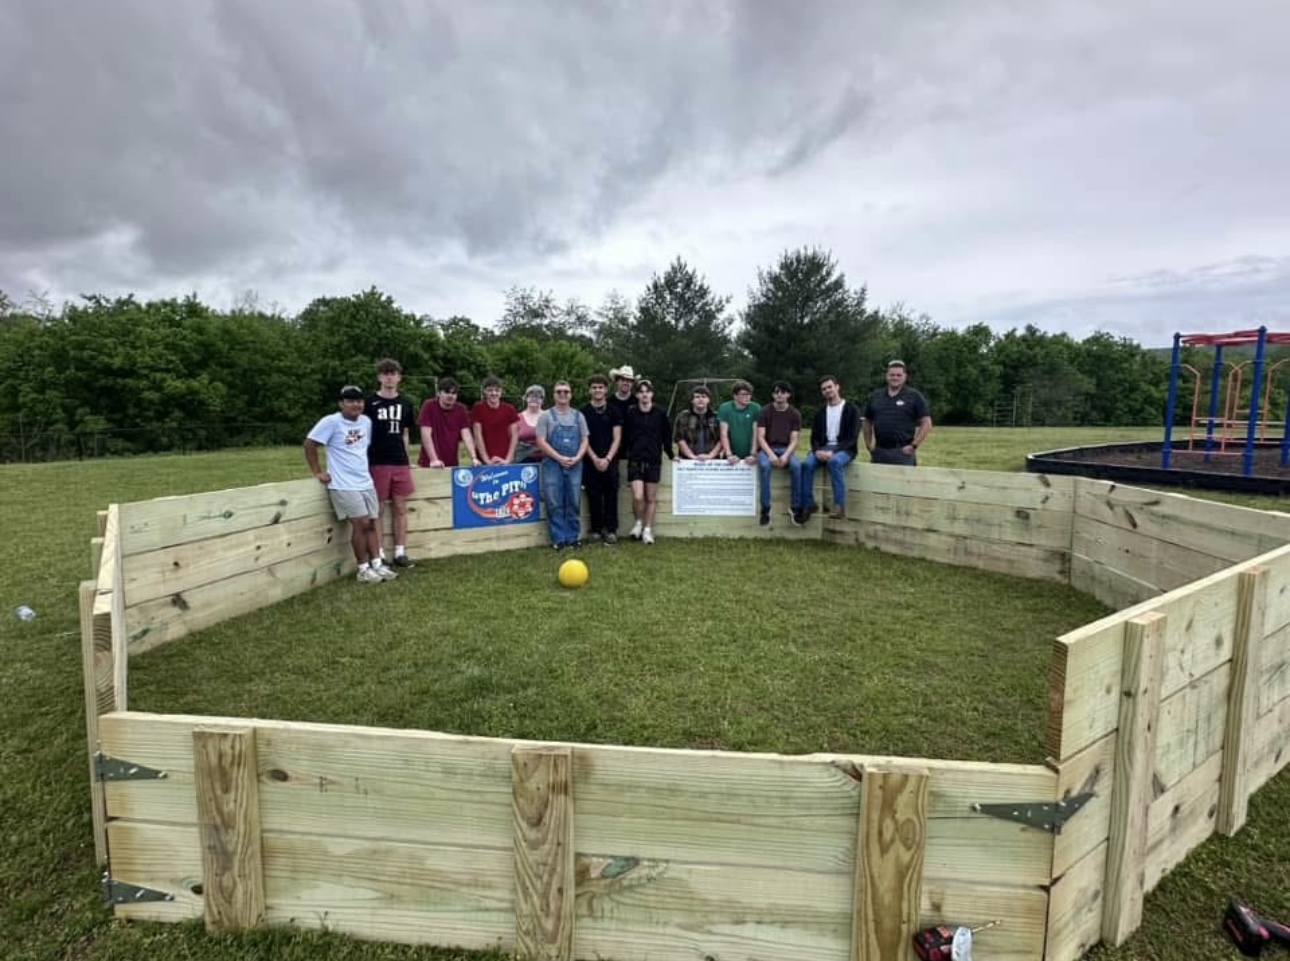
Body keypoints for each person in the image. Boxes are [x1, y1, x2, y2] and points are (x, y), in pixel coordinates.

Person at [304, 386, 398, 584]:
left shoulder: (366, 422)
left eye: (359, 401)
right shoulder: (331, 422)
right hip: (343, 484)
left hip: (365, 481)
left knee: (373, 522)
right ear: (341, 404)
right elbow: (310, 443)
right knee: (361, 523)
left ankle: (377, 564)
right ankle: (362, 569)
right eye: (350, 400)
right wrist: (318, 471)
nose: (356, 404)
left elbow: (360, 449)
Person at [365, 358, 418, 568]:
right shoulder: (369, 403)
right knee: (376, 509)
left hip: (399, 462)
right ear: (379, 377)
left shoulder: (405, 403)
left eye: (393, 373)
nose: (389, 377)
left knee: (400, 506)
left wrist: (407, 458)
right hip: (377, 461)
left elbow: (406, 433)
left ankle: (400, 551)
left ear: (399, 377)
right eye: (385, 373)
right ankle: (378, 553)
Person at [799, 374, 862, 521]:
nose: (827, 390)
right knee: (807, 464)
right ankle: (808, 504)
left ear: (837, 387)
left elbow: (852, 437)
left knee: (834, 462)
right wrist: (817, 451)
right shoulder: (820, 412)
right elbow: (814, 437)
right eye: (824, 389)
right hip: (823, 448)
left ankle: (839, 506)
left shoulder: (851, 409)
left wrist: (832, 451)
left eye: (829, 387)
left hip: (845, 449)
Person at [536, 380, 590, 551]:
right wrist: (559, 457)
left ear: (570, 395)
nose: (562, 395)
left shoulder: (578, 416)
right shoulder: (545, 416)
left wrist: (578, 457)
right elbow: (541, 441)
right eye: (559, 392)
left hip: (575, 464)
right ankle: (558, 539)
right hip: (552, 464)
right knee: (554, 502)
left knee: (573, 500)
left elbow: (585, 440)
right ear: (554, 395)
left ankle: (573, 538)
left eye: (566, 392)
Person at [621, 378, 672, 544]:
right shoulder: (630, 412)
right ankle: (638, 523)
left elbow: (667, 436)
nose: (644, 395)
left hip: (653, 460)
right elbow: (625, 435)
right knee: (637, 496)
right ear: (636, 394)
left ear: (652, 394)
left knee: (650, 498)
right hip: (635, 460)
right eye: (641, 392)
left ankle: (648, 530)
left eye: (647, 391)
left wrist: (671, 454)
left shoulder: (660, 413)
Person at [863, 360, 933, 466]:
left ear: (905, 376)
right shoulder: (876, 396)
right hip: (879, 452)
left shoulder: (914, 396)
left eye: (899, 375)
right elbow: (867, 421)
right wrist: (868, 445)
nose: (895, 378)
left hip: (903, 453)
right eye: (892, 375)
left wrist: (913, 446)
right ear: (887, 376)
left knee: (904, 482)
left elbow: (926, 423)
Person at [755, 381, 805, 528]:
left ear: (788, 394)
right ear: (773, 394)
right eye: (776, 392)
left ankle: (795, 508)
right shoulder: (765, 411)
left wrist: (785, 456)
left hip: (785, 448)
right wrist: (770, 455)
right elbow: (760, 437)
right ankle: (765, 509)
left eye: (783, 392)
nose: (779, 395)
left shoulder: (794, 414)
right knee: (765, 466)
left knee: (796, 466)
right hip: (767, 448)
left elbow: (794, 440)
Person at [580, 373, 623, 544]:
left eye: (601, 387)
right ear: (590, 390)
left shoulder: (614, 411)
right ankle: (596, 530)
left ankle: (611, 530)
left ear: (606, 390)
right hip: (590, 461)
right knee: (594, 496)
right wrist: (595, 458)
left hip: (610, 461)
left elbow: (617, 437)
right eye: (594, 387)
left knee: (611, 495)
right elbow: (584, 438)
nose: (597, 390)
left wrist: (607, 459)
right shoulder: (583, 412)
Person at [417, 377, 480, 468]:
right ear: (439, 393)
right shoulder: (429, 406)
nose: (450, 396)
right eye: (447, 392)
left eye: (454, 393)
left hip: (452, 464)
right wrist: (434, 459)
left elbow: (466, 435)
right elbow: (426, 435)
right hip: (429, 464)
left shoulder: (461, 409)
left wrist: (473, 457)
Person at [471, 375, 520, 465]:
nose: (494, 393)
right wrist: (486, 460)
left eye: (497, 390)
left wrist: (508, 460)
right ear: (484, 391)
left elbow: (515, 436)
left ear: (501, 392)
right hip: (483, 461)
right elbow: (477, 435)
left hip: (505, 460)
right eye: (490, 390)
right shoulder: (478, 408)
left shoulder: (510, 409)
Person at [673, 384, 724, 460]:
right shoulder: (682, 416)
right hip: (688, 462)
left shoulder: (717, 417)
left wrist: (710, 455)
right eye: (697, 397)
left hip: (712, 462)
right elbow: (679, 439)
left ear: (708, 400)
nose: (701, 399)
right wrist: (692, 456)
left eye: (704, 397)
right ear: (692, 400)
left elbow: (722, 439)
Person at [719, 380, 761, 465]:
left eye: (749, 394)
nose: (747, 397)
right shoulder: (724, 408)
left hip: (751, 453)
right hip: (731, 453)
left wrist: (753, 454)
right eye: (743, 394)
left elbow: (756, 433)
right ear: (735, 396)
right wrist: (729, 454)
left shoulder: (756, 408)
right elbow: (724, 434)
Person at [515, 385, 546, 463]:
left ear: (542, 400)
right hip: (522, 461)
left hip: (546, 461)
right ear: (526, 398)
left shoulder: (549, 417)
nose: (535, 399)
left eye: (538, 396)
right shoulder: (517, 418)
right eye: (531, 396)